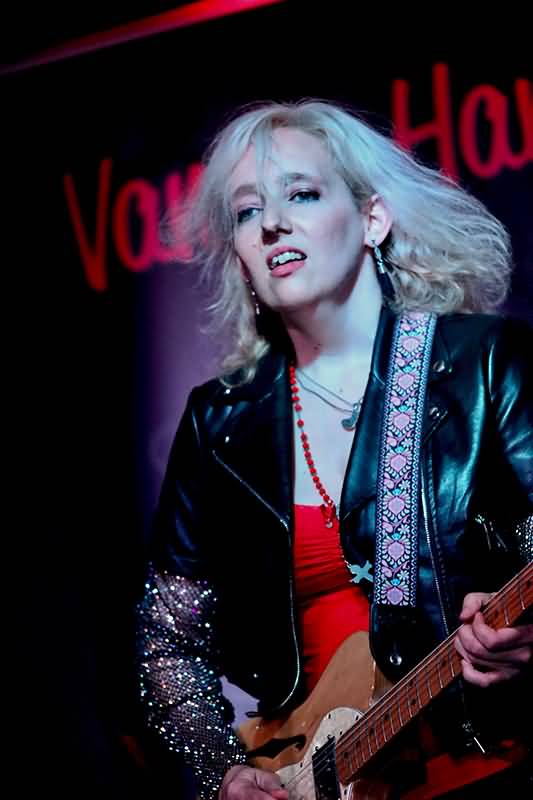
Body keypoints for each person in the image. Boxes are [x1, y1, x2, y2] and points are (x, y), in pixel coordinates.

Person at [135, 99, 532, 799]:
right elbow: (169, 641)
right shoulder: (219, 423)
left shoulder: (481, 363)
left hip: (489, 763)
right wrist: (220, 771)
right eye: (247, 212)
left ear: (372, 218)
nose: (272, 224)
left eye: (302, 194)